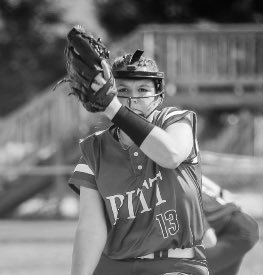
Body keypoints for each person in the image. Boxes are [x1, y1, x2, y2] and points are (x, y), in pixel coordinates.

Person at [68, 50, 209, 275]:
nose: (132, 99)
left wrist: (115, 108)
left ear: (158, 96)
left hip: (176, 265)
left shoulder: (175, 121)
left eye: (143, 90)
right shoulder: (94, 149)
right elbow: (91, 228)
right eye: (122, 90)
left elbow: (170, 156)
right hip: (116, 265)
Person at [200, 176, 259, 275]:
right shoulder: (185, 178)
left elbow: (209, 240)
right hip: (236, 226)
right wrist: (220, 191)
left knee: (187, 269)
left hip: (239, 231)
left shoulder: (183, 198)